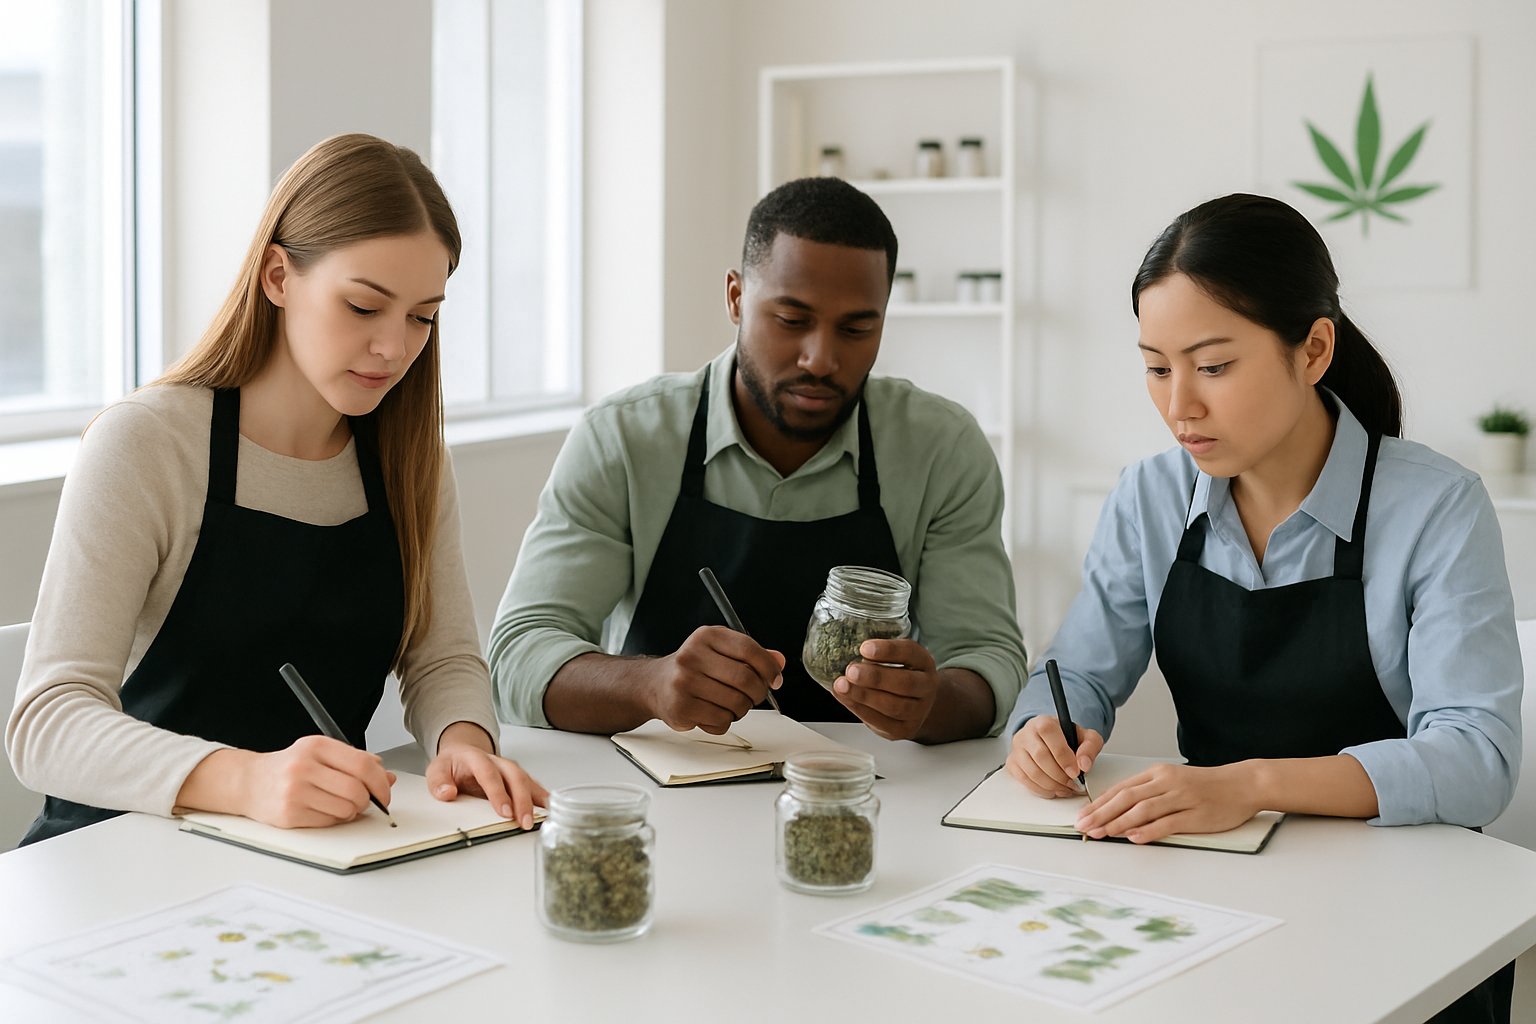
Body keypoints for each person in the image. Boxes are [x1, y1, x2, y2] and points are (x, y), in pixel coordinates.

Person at [1005, 193, 1520, 1023]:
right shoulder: (1149, 496)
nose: (1180, 406)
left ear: (1313, 349)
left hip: (1407, 907)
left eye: (1213, 367)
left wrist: (1248, 786)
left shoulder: (1436, 507)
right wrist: (1042, 730)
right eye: (1155, 366)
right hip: (1212, 891)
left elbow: (1477, 760)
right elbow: (1076, 676)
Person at [7, 134, 546, 844]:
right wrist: (246, 780)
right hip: (118, 856)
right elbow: (47, 724)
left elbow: (439, 656)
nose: (394, 347)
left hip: (320, 857)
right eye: (362, 306)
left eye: (422, 316)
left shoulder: (408, 460)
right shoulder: (147, 445)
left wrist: (463, 742)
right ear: (277, 277)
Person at [490, 177, 1026, 742]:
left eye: (857, 328)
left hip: (867, 790)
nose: (821, 359)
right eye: (791, 320)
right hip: (666, 791)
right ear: (736, 297)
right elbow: (517, 655)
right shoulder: (624, 438)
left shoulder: (942, 450)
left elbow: (989, 659)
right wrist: (650, 684)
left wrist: (931, 702)